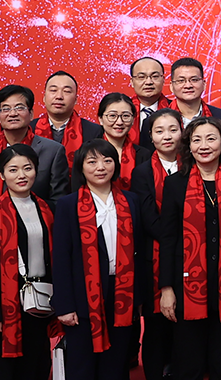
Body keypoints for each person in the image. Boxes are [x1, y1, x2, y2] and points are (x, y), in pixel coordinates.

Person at [54, 140, 147, 380]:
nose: (100, 167)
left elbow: (139, 251)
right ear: (81, 167)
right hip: (83, 296)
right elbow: (61, 257)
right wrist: (65, 306)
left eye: (107, 161)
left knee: (116, 365)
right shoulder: (68, 205)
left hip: (122, 293)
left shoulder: (130, 201)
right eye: (92, 161)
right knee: (82, 366)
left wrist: (138, 297)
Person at [158, 117, 221, 380]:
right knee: (189, 364)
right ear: (189, 146)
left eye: (211, 139)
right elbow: (168, 239)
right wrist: (166, 289)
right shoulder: (175, 183)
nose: (204, 145)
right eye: (197, 140)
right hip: (187, 287)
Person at [0, 144, 57, 380]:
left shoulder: (49, 209)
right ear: (1, 175)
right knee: (5, 370)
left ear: (36, 171)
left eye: (27, 168)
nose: (21, 175)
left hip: (40, 299)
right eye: (13, 170)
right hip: (6, 304)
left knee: (37, 364)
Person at [129, 109, 185, 379]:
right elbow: (149, 219)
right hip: (155, 256)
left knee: (184, 324)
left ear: (183, 132)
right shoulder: (141, 172)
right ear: (150, 136)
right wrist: (181, 239)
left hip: (189, 257)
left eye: (173, 129)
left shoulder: (194, 165)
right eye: (159, 131)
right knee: (155, 324)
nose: (167, 136)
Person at [0, 84, 71, 199]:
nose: (12, 114)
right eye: (6, 109)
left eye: (19, 108)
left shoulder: (53, 151)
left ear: (31, 114)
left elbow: (58, 198)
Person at [33, 71, 104, 166]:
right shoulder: (29, 129)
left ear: (76, 99)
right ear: (44, 97)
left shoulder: (94, 131)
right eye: (53, 90)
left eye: (66, 91)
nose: (59, 96)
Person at [171, 57, 221, 127]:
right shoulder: (162, 117)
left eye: (194, 80)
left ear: (204, 84)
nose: (188, 86)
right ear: (171, 86)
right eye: (181, 81)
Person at [97, 94, 140, 192]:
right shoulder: (88, 152)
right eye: (112, 116)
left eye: (126, 116)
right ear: (100, 119)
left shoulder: (143, 155)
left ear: (133, 120)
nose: (119, 122)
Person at [130, 58, 173, 133]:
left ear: (163, 80)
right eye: (141, 77)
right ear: (132, 82)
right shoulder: (123, 111)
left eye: (155, 76)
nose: (148, 82)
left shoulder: (175, 109)